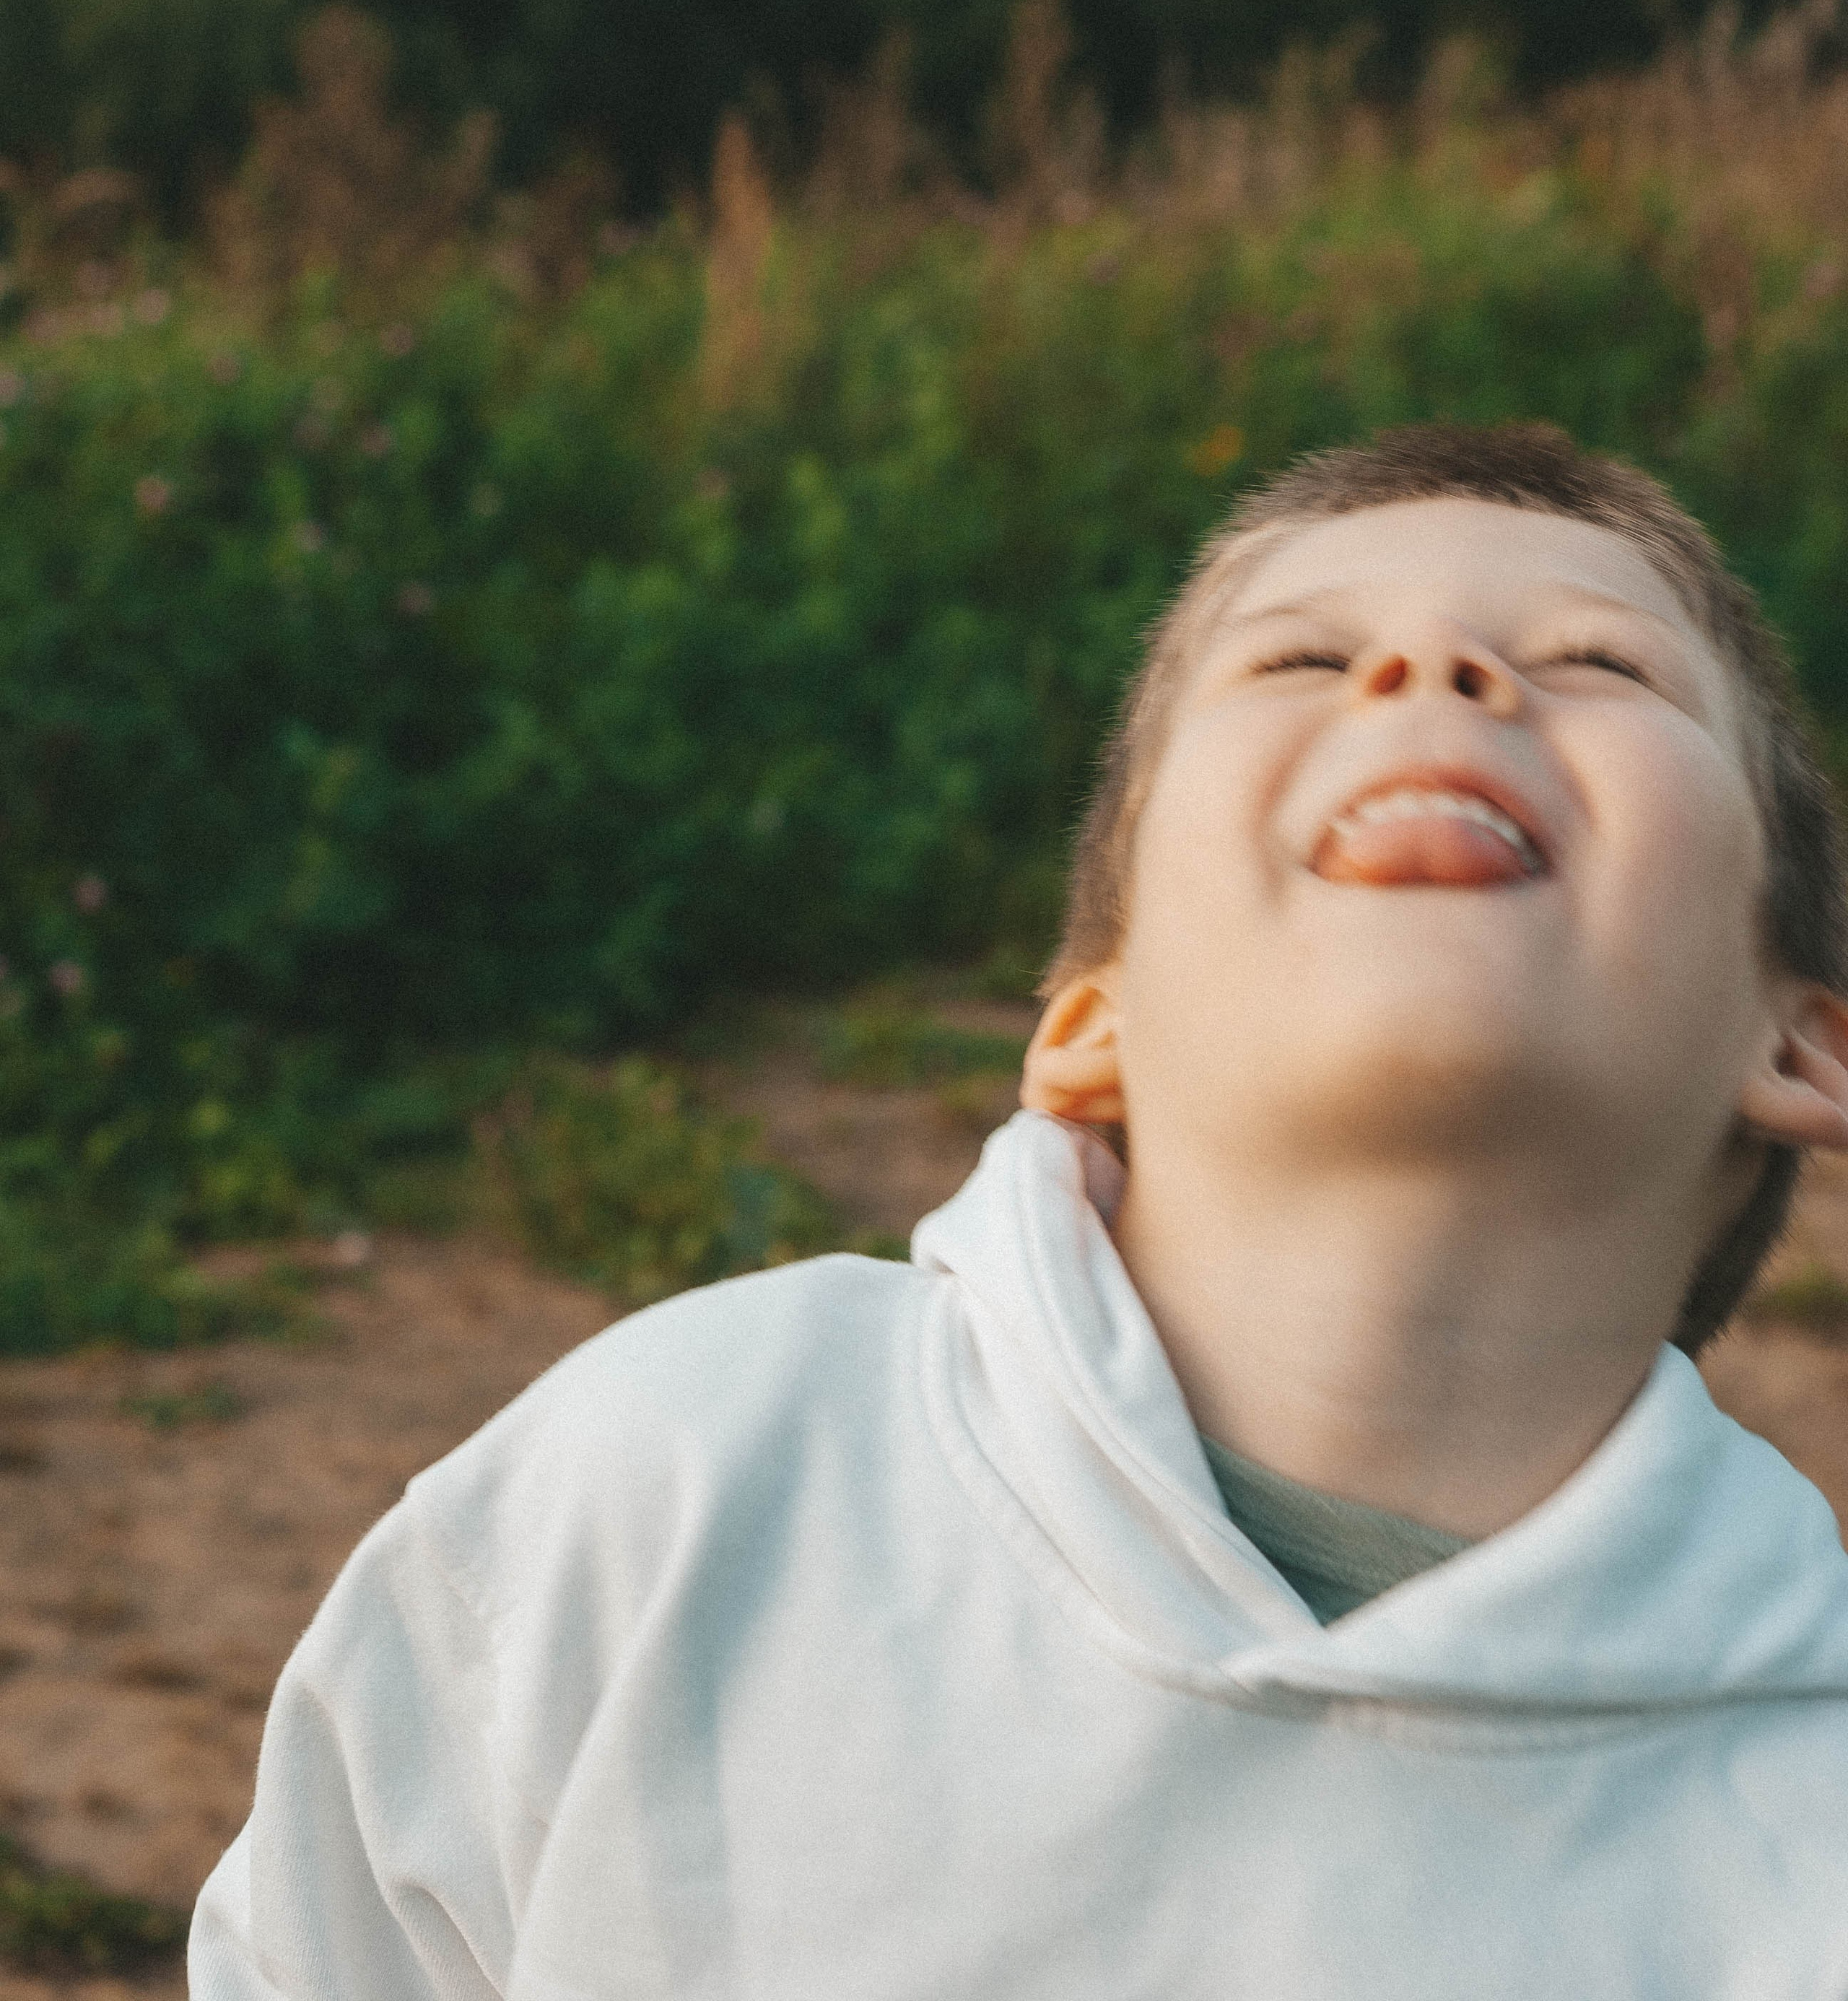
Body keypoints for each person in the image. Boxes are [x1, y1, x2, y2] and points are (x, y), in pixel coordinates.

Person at [191, 420, 1848, 1999]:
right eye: (1297, 658)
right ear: (1085, 1029)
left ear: (1799, 1043)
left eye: (1598, 663)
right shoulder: (688, 1476)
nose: (1433, 667)